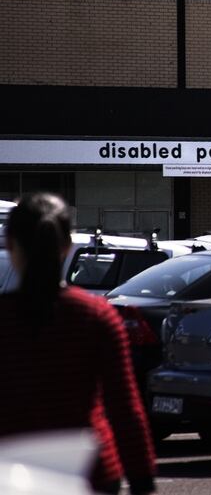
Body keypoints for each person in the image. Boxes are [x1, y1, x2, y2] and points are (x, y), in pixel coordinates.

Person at [0, 193, 156, 494]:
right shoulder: (95, 315)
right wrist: (142, 479)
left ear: (11, 245)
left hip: (12, 470)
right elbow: (124, 406)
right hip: (91, 470)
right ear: (66, 247)